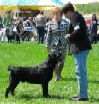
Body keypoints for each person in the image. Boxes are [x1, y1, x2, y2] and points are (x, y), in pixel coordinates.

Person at [61, 3, 92, 101]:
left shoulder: (75, 17)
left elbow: (77, 30)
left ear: (69, 12)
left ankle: (83, 96)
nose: (65, 17)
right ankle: (81, 94)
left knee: (80, 72)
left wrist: (69, 35)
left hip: (80, 48)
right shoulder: (76, 16)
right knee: (80, 71)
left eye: (65, 14)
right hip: (81, 48)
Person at [45, 7, 70, 81]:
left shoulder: (66, 23)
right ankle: (57, 76)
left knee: (62, 61)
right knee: (55, 61)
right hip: (54, 45)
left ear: (61, 14)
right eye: (54, 13)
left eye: (57, 13)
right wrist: (47, 45)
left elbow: (68, 34)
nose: (56, 15)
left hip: (63, 44)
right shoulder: (50, 23)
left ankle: (59, 74)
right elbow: (49, 35)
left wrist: (69, 46)